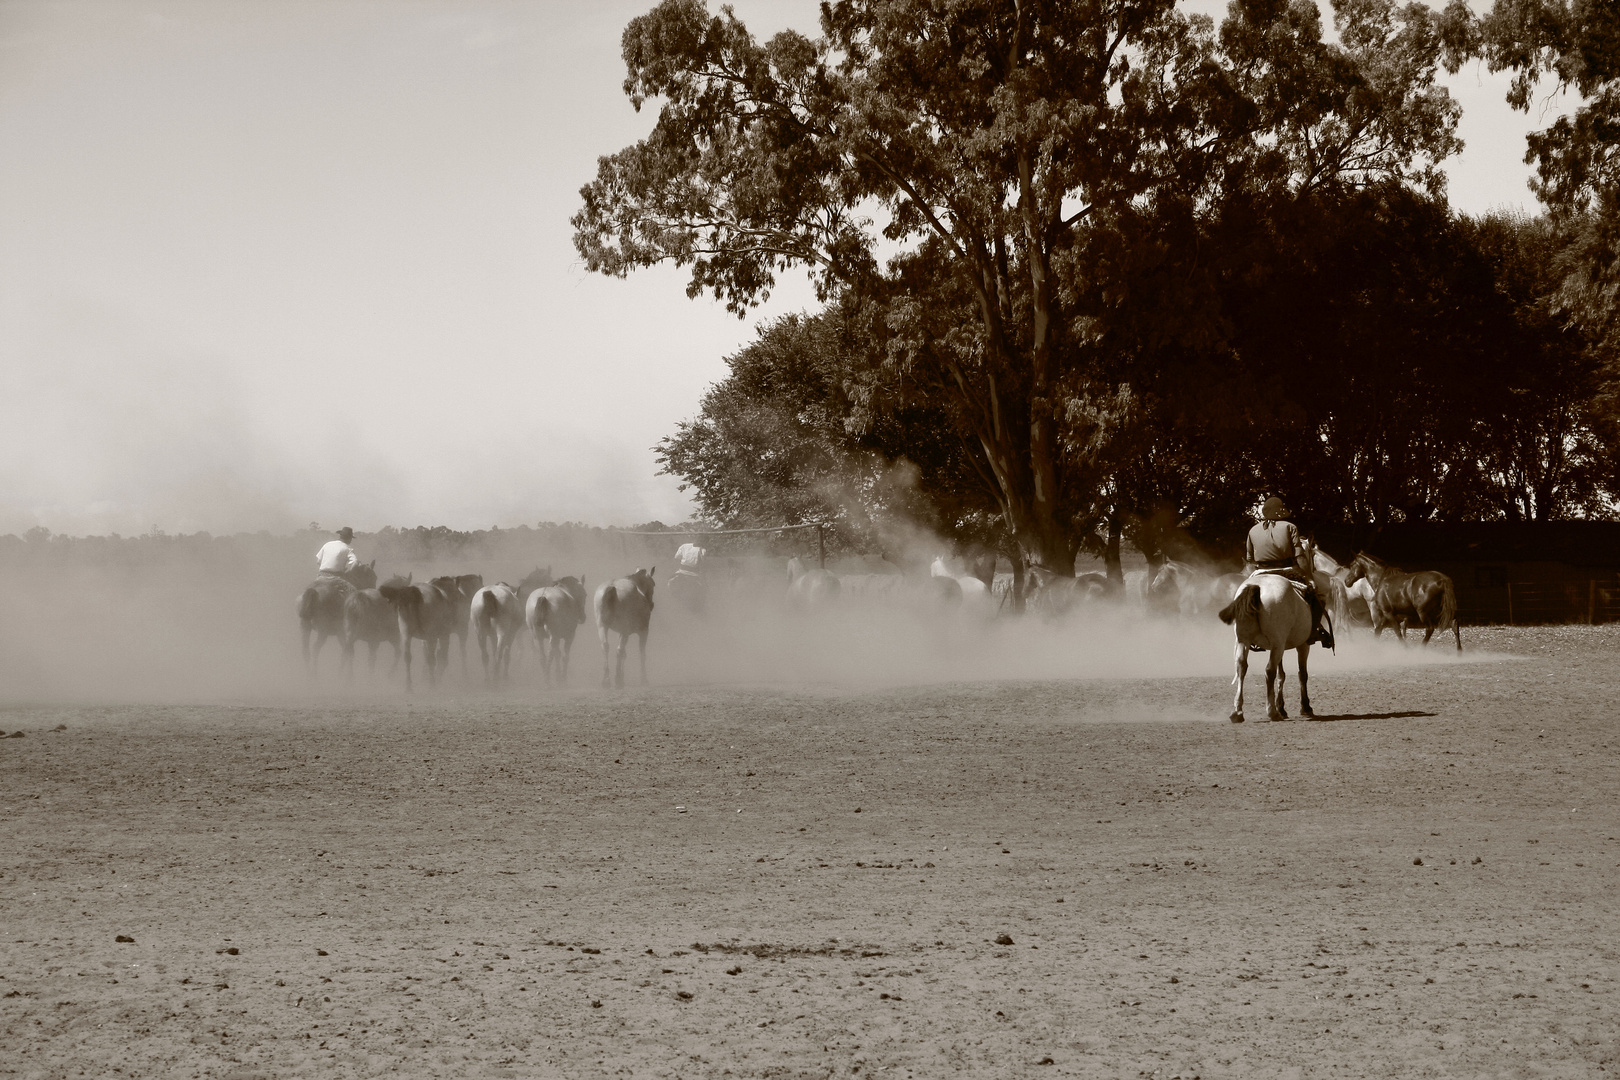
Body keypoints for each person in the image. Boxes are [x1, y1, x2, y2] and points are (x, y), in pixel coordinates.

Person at [1244, 496, 1333, 648]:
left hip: (1260, 572)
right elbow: (1300, 556)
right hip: (1286, 570)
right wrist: (1309, 578)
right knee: (1319, 594)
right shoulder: (1290, 527)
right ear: (1280, 511)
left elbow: (1250, 559)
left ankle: (1248, 632)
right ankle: (1311, 632)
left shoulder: (1253, 530)